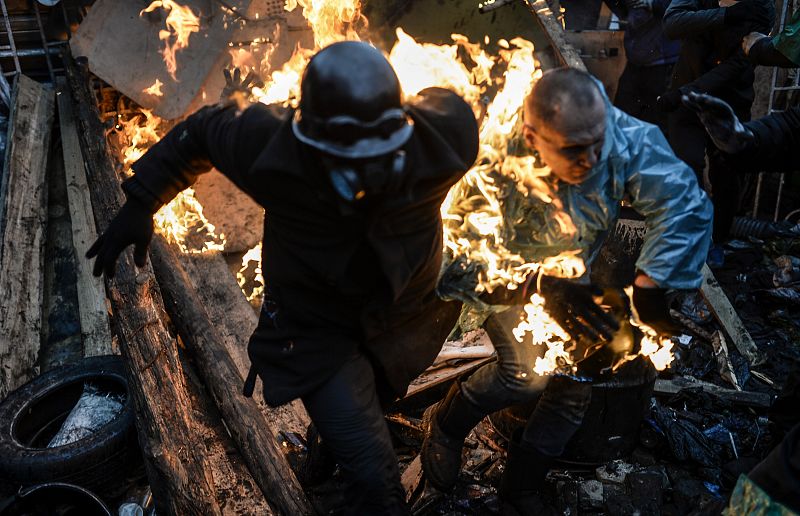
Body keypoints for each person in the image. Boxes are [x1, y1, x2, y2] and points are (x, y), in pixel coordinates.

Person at [85, 41, 479, 515]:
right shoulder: (271, 146)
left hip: (405, 317)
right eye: (341, 156)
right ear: (308, 139)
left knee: (370, 404)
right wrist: (141, 201)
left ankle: (322, 456)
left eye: (370, 153)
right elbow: (203, 133)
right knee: (377, 485)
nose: (358, 171)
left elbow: (437, 100)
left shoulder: (444, 139)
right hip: (315, 332)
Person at [422, 67, 713, 514]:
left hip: (573, 268)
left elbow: (682, 204)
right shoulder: (489, 169)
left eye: (600, 143)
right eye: (575, 150)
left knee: (576, 384)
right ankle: (445, 426)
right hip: (508, 275)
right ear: (532, 136)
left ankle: (519, 488)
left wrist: (649, 285)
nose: (594, 159)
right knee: (524, 375)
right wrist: (538, 285)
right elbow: (454, 269)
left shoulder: (619, 135)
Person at [660, 0, 774, 249]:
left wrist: (686, 93)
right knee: (687, 168)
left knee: (727, 178)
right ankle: (689, 240)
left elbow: (739, 63)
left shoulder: (762, 6)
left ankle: (719, 240)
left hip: (729, 102)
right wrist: (726, 15)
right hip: (684, 101)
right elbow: (671, 24)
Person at [604, 0, 681, 133]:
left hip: (663, 65)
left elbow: (682, 7)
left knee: (659, 124)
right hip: (636, 63)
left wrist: (653, 4)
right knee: (622, 119)